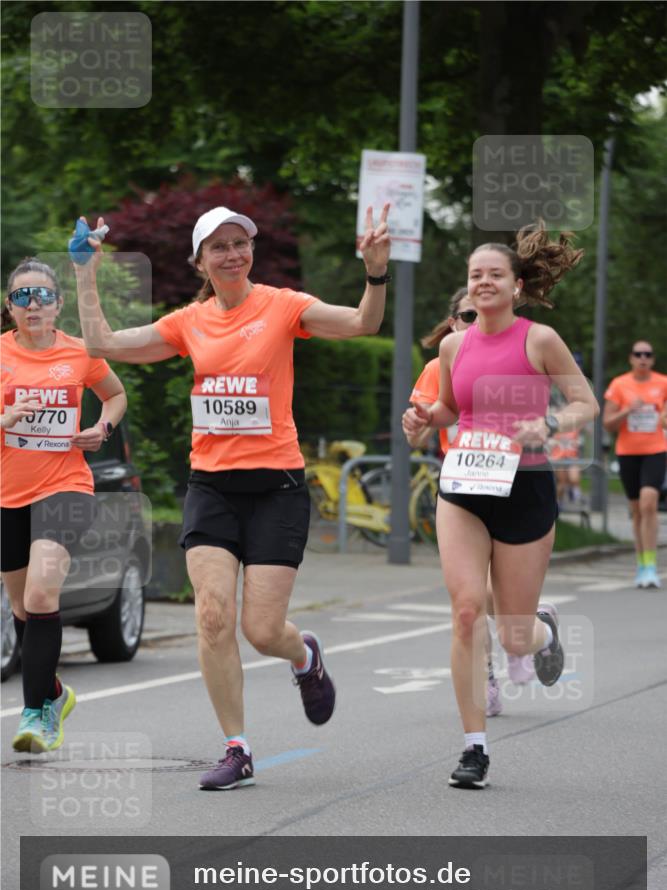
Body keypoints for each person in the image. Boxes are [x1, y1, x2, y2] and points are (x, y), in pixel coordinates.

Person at [73, 204, 391, 790]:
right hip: (212, 486)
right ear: (201, 260)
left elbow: (361, 324)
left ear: (251, 251)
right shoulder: (187, 323)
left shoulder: (283, 305)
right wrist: (86, 273)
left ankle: (304, 657)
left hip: (276, 488)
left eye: (240, 242)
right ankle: (237, 748)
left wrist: (375, 274)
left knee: (262, 631)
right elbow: (104, 343)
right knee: (213, 617)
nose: (232, 254)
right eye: (218, 246)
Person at [404, 222, 598, 789]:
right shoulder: (452, 345)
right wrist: (423, 419)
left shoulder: (539, 340)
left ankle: (542, 632)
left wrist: (552, 422)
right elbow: (446, 409)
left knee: (513, 635)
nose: (483, 282)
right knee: (466, 612)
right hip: (463, 486)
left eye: (494, 274)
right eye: (475, 275)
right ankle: (474, 747)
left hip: (525, 487)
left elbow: (584, 401)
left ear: (516, 286)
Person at [1, 258, 127, 752]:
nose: (33, 305)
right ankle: (53, 691)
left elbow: (114, 395)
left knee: (39, 596)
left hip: (66, 485)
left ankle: (36, 716)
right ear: (9, 306)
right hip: (8, 493)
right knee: (20, 606)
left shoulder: (80, 352)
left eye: (43, 296)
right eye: (23, 297)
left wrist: (102, 428)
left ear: (57, 304)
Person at [402, 288, 536, 721]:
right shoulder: (438, 366)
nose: (473, 321)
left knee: (499, 594)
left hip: (512, 484)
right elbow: (418, 432)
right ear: (453, 320)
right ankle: (488, 676)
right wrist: (417, 424)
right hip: (462, 488)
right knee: (467, 601)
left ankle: (527, 630)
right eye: (465, 314)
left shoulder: (513, 359)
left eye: (482, 314)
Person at [603, 341, 667, 588]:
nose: (643, 358)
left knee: (649, 502)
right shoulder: (620, 384)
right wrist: (627, 410)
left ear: (652, 359)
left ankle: (651, 566)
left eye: (648, 354)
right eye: (638, 354)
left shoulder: (663, 383)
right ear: (631, 358)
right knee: (638, 509)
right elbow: (608, 423)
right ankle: (642, 564)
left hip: (655, 450)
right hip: (628, 452)